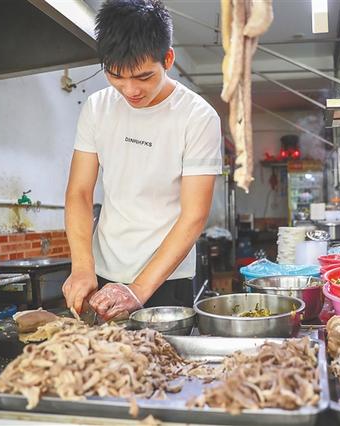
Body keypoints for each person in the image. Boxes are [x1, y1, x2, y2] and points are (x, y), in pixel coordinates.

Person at [62, 0, 222, 321]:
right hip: (104, 270)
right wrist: (82, 267)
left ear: (168, 59)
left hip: (166, 276)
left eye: (144, 76)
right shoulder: (97, 107)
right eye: (116, 76)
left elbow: (194, 215)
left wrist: (138, 289)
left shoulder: (198, 116)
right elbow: (79, 192)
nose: (130, 90)